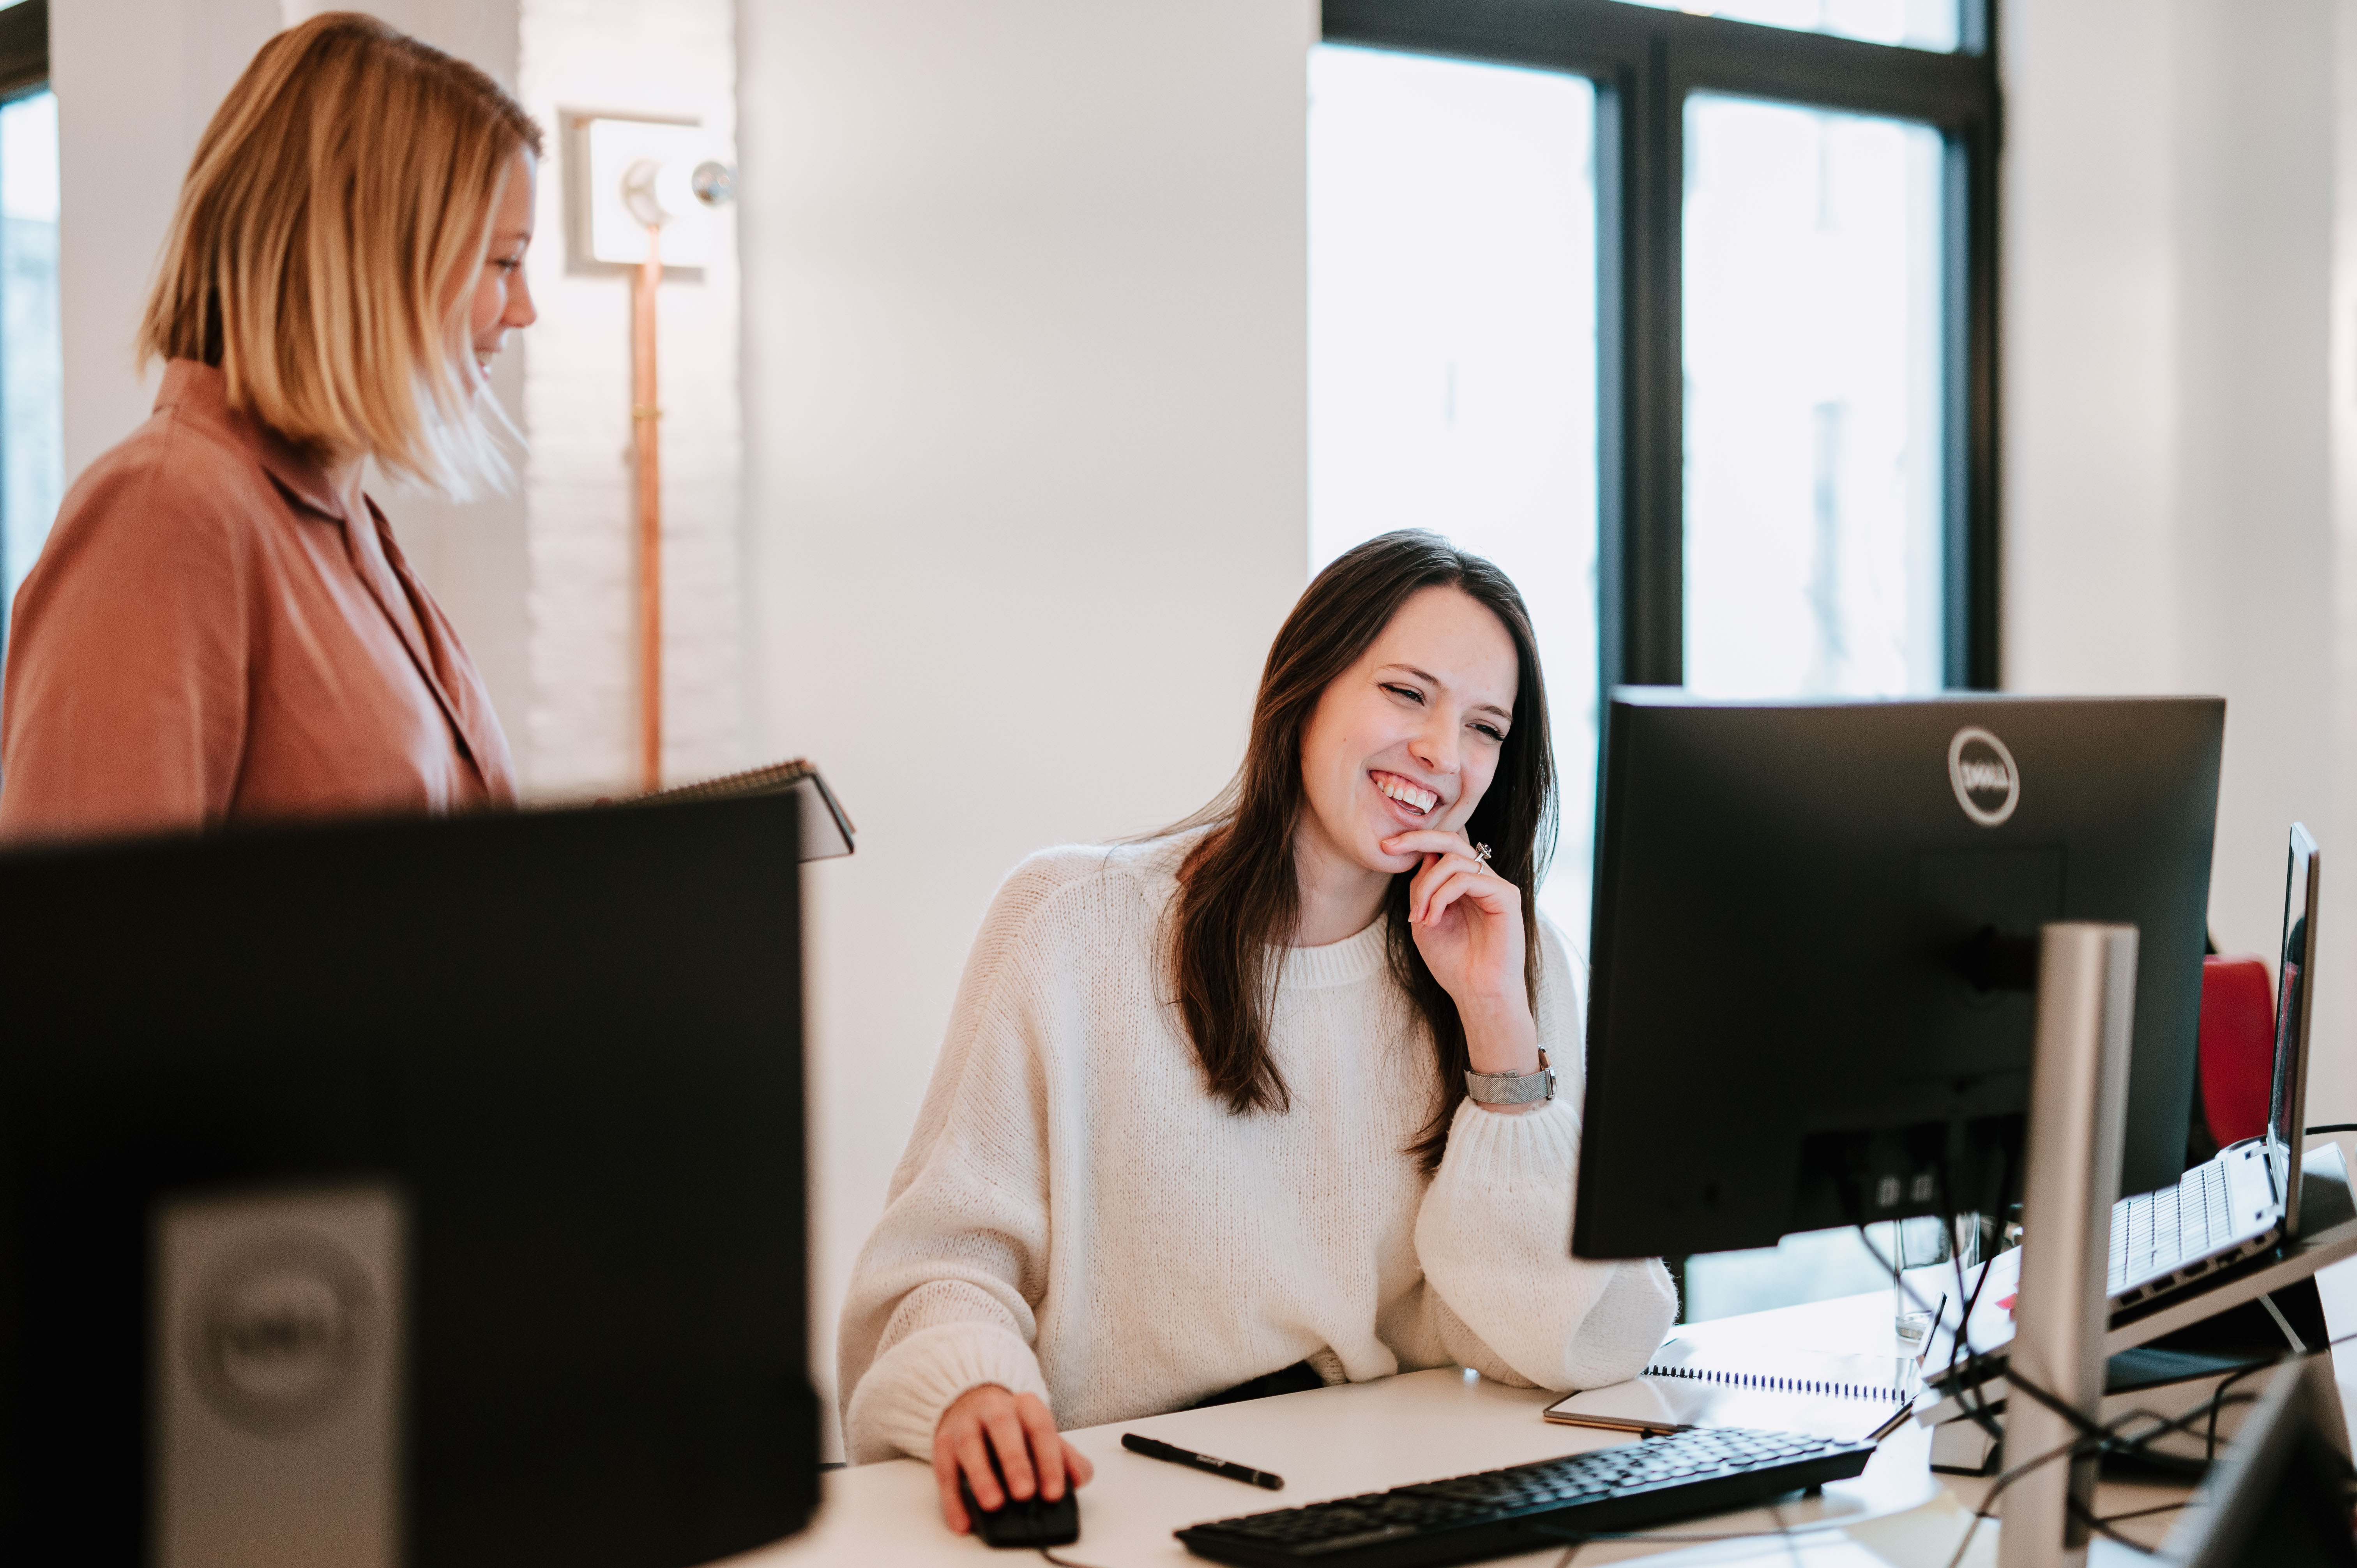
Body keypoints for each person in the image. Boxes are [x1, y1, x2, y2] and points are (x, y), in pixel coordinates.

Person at [837, 530, 1676, 1533]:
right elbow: (944, 1263)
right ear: (1305, 684)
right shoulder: (1071, 924)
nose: (1444, 756)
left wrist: (1497, 1024)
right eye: (1407, 694)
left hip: (1388, 1499)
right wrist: (970, 1390)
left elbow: (1574, 1339)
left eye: (1486, 727)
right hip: (1127, 1507)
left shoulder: (1510, 956)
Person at [0, 13, 539, 842]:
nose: (524, 309)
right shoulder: (165, 510)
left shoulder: (349, 525)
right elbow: (86, 952)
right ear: (369, 256)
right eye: (501, 263)